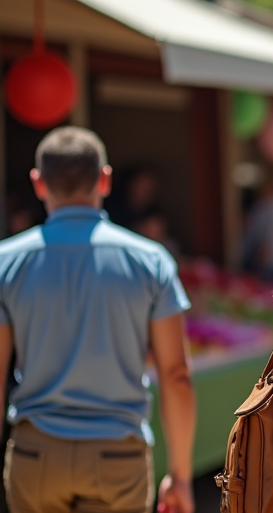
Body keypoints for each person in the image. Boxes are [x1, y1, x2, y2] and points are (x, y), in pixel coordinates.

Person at [0, 127, 196, 513]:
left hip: (35, 454)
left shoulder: (7, 262)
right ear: (104, 179)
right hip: (118, 457)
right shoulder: (150, 260)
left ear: (38, 184)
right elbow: (175, 374)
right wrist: (181, 475)